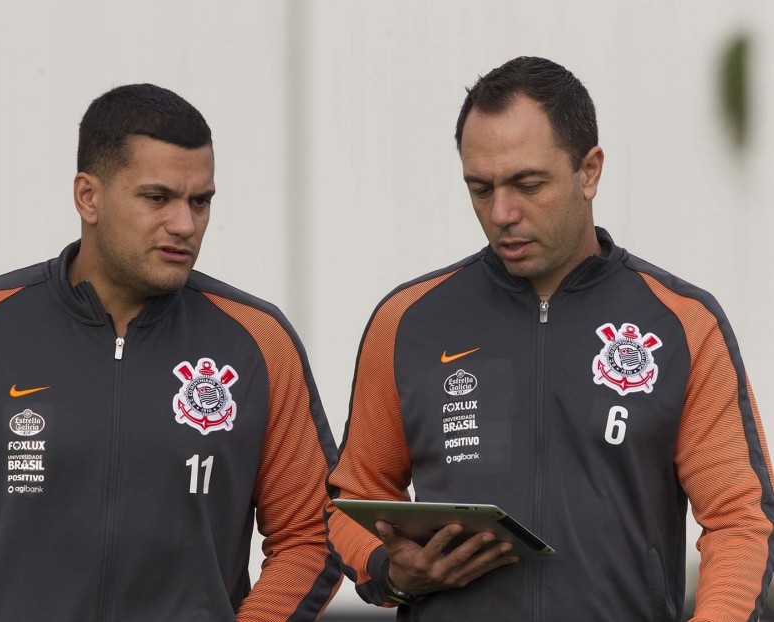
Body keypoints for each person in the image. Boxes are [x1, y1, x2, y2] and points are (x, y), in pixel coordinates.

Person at [0, 83, 341, 621]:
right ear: (88, 196)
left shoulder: (256, 341)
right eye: (158, 198)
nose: (185, 224)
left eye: (201, 201)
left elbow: (312, 536)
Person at [325, 56, 774, 621]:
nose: (502, 213)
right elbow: (349, 499)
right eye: (480, 189)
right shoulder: (409, 320)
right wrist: (389, 571)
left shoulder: (682, 322)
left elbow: (739, 517)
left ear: (589, 171)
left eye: (527, 184)